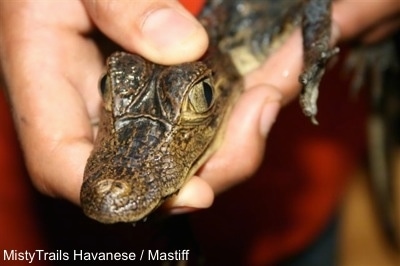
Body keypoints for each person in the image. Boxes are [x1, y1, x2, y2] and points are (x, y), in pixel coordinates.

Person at [0, 0, 399, 212]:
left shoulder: (245, 48)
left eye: (199, 97)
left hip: (312, 169)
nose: (112, 183)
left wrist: (315, 57)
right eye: (111, 87)